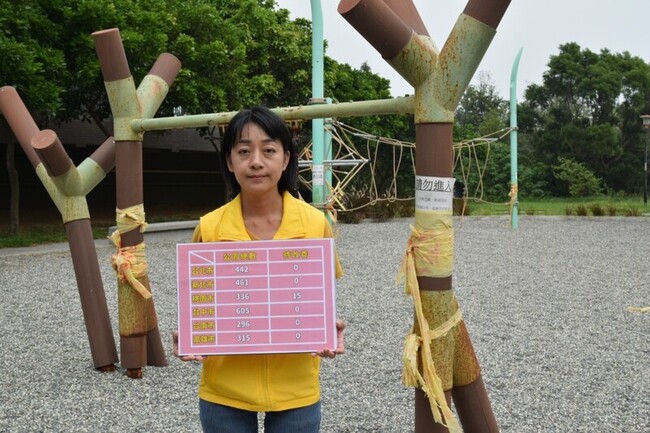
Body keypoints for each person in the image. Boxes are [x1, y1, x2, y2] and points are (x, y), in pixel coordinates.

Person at [173, 105, 346, 433]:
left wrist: (329, 328)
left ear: (285, 159)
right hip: (225, 393)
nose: (255, 161)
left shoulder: (314, 224)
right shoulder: (209, 227)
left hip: (296, 390)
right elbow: (199, 304)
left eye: (268, 150)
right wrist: (191, 334)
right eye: (243, 151)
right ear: (229, 161)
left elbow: (320, 300)